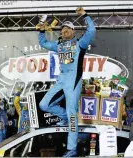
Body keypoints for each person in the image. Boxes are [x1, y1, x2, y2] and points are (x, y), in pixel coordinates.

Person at [38, 7, 96, 157]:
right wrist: (42, 31)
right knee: (44, 105)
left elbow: (91, 31)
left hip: (73, 81)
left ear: (73, 31)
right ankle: (62, 117)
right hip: (61, 80)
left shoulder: (80, 44)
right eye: (62, 30)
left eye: (67, 29)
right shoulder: (59, 46)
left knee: (72, 114)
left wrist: (85, 15)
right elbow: (43, 43)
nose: (64, 31)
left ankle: (71, 149)